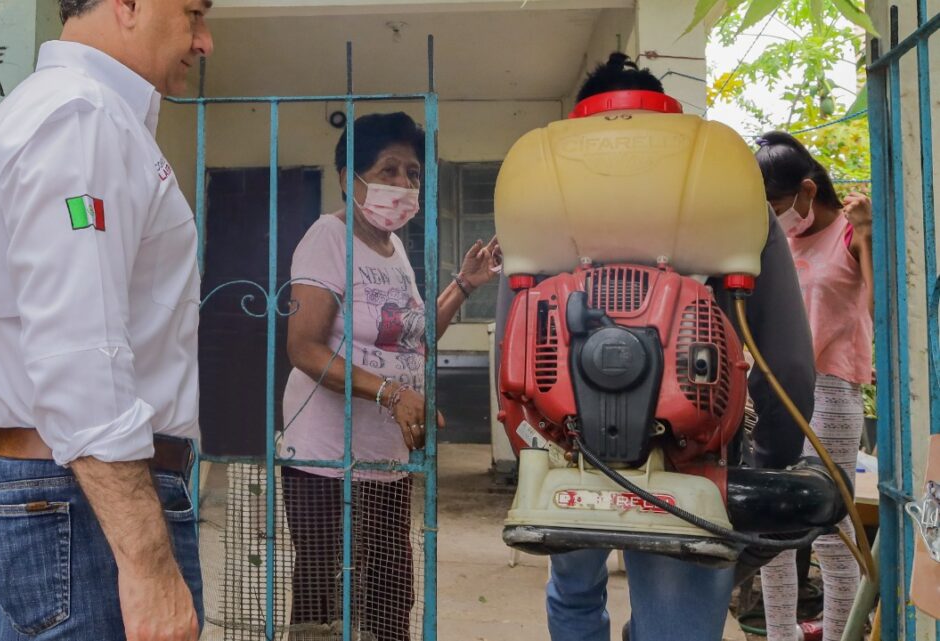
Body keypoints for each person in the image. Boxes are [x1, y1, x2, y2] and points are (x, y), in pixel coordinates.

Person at [490, 53, 817, 641]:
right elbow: (787, 361)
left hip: (564, 448)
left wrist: (530, 452)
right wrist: (764, 471)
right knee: (675, 629)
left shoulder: (536, 190)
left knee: (573, 588)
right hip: (696, 459)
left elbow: (511, 345)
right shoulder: (729, 190)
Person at [0, 1, 213, 640]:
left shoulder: (83, 115)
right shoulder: (81, 119)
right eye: (194, 13)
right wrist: (149, 566)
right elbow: (80, 354)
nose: (204, 41)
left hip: (70, 500)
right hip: (85, 507)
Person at [279, 112, 499, 641]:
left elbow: (413, 336)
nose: (403, 184)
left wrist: (463, 287)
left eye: (413, 174)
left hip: (386, 457)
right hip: (326, 460)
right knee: (326, 606)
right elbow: (303, 348)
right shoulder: (327, 238)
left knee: (389, 598)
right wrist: (392, 393)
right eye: (388, 170)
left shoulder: (395, 248)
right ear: (347, 178)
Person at [755, 131, 874, 641]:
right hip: (777, 389)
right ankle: (780, 633)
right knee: (768, 524)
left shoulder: (849, 234)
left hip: (831, 389)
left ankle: (838, 632)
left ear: (807, 190)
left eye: (779, 203)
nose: (774, 214)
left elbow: (879, 308)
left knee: (829, 529)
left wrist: (867, 236)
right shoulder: (776, 240)